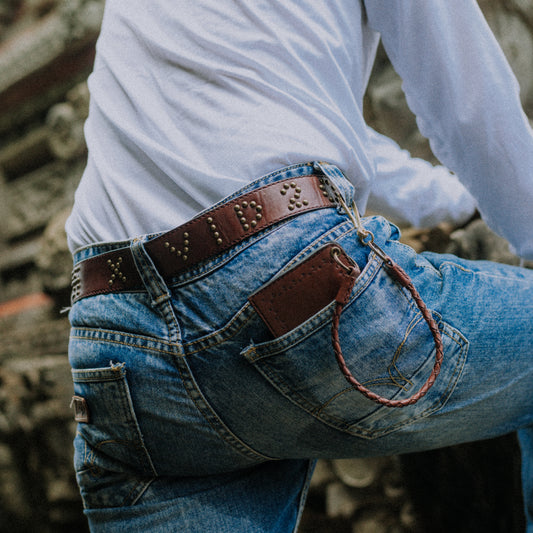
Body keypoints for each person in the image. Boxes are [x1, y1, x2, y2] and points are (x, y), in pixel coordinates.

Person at [66, 1, 533, 531]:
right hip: (279, 280)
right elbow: (468, 101)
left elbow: (293, 120)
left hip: (115, 336)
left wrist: (453, 202)